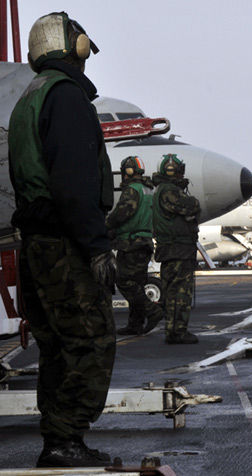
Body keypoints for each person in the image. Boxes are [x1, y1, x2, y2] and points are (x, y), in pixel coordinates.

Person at [8, 12, 116, 468]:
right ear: (70, 44)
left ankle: (59, 439)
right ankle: (65, 438)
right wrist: (96, 247)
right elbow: (74, 184)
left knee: (58, 344)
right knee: (91, 340)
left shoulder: (30, 96)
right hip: (63, 242)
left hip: (36, 242)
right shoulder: (67, 97)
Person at [106, 156, 164, 335]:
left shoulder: (132, 190)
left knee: (124, 282)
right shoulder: (149, 189)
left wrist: (106, 226)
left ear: (128, 171)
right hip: (144, 241)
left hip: (131, 243)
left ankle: (152, 310)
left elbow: (122, 213)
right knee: (137, 283)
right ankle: (135, 324)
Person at [152, 154, 200, 344]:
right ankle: (178, 332)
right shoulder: (169, 190)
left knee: (171, 291)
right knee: (180, 292)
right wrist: (194, 203)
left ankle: (172, 330)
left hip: (170, 249)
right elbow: (189, 206)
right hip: (179, 249)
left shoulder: (161, 189)